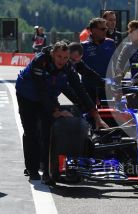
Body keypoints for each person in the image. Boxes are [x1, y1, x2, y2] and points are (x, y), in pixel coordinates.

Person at [16, 41, 108, 183]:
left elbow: (80, 90)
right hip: (27, 95)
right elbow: (41, 91)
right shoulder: (40, 61)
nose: (62, 61)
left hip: (48, 95)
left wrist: (95, 115)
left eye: (65, 58)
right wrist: (56, 110)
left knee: (48, 131)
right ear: (52, 54)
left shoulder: (68, 67)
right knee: (31, 132)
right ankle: (32, 169)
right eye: (59, 57)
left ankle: (47, 171)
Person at [82, 18, 116, 103]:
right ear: (93, 30)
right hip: (89, 86)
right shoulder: (83, 46)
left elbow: (116, 63)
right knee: (90, 113)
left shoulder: (111, 43)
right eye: (103, 29)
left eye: (106, 29)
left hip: (107, 85)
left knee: (108, 114)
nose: (105, 31)